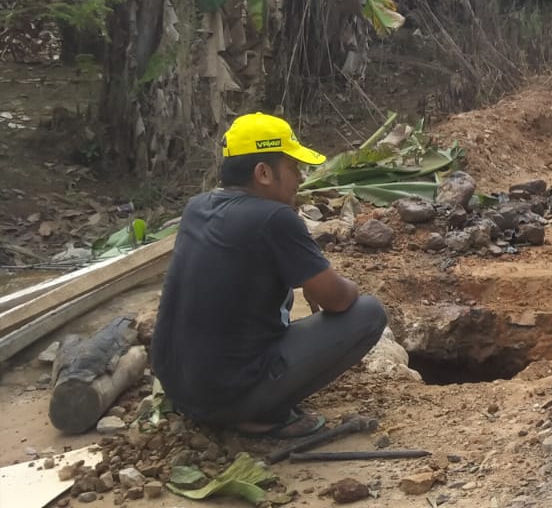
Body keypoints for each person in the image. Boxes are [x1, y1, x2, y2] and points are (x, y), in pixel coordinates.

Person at [151, 113, 388, 438]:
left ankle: (240, 397)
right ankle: (261, 413)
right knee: (369, 313)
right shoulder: (274, 218)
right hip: (226, 398)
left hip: (179, 389)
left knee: (280, 293)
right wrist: (348, 285)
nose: (300, 178)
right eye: (292, 167)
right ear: (263, 172)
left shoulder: (197, 207)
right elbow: (336, 299)